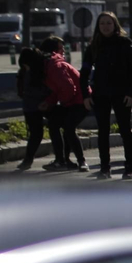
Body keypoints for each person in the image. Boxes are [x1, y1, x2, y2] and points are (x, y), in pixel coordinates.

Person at [79, 11, 132, 179]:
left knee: (125, 130)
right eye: (102, 24)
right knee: (103, 131)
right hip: (101, 93)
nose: (105, 26)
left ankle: (129, 168)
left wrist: (131, 93)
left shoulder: (124, 44)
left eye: (109, 23)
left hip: (122, 94)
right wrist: (85, 95)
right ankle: (105, 168)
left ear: (115, 25)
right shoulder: (93, 47)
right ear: (98, 27)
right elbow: (84, 73)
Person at [33, 35, 89, 170]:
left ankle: (81, 162)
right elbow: (58, 89)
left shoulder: (54, 65)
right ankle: (62, 160)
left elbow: (69, 88)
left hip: (81, 101)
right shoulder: (51, 64)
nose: (63, 50)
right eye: (60, 47)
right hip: (72, 101)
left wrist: (63, 102)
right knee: (54, 125)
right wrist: (49, 102)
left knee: (68, 128)